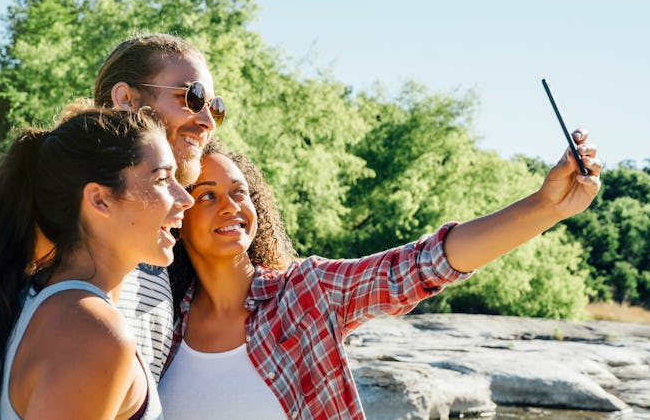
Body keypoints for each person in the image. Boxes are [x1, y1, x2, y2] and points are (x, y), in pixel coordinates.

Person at [158, 132, 602, 419]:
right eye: (207, 195)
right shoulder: (160, 321)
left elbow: (425, 264)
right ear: (177, 211)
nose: (231, 206)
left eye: (239, 193)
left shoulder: (305, 294)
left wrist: (546, 207)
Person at [0, 33, 223, 417]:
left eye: (215, 106)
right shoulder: (54, 220)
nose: (207, 119)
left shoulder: (165, 237)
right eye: (191, 97)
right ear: (126, 98)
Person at [0, 106, 193, 419]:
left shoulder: (31, 301)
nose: (185, 197)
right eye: (162, 179)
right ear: (99, 199)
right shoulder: (91, 333)